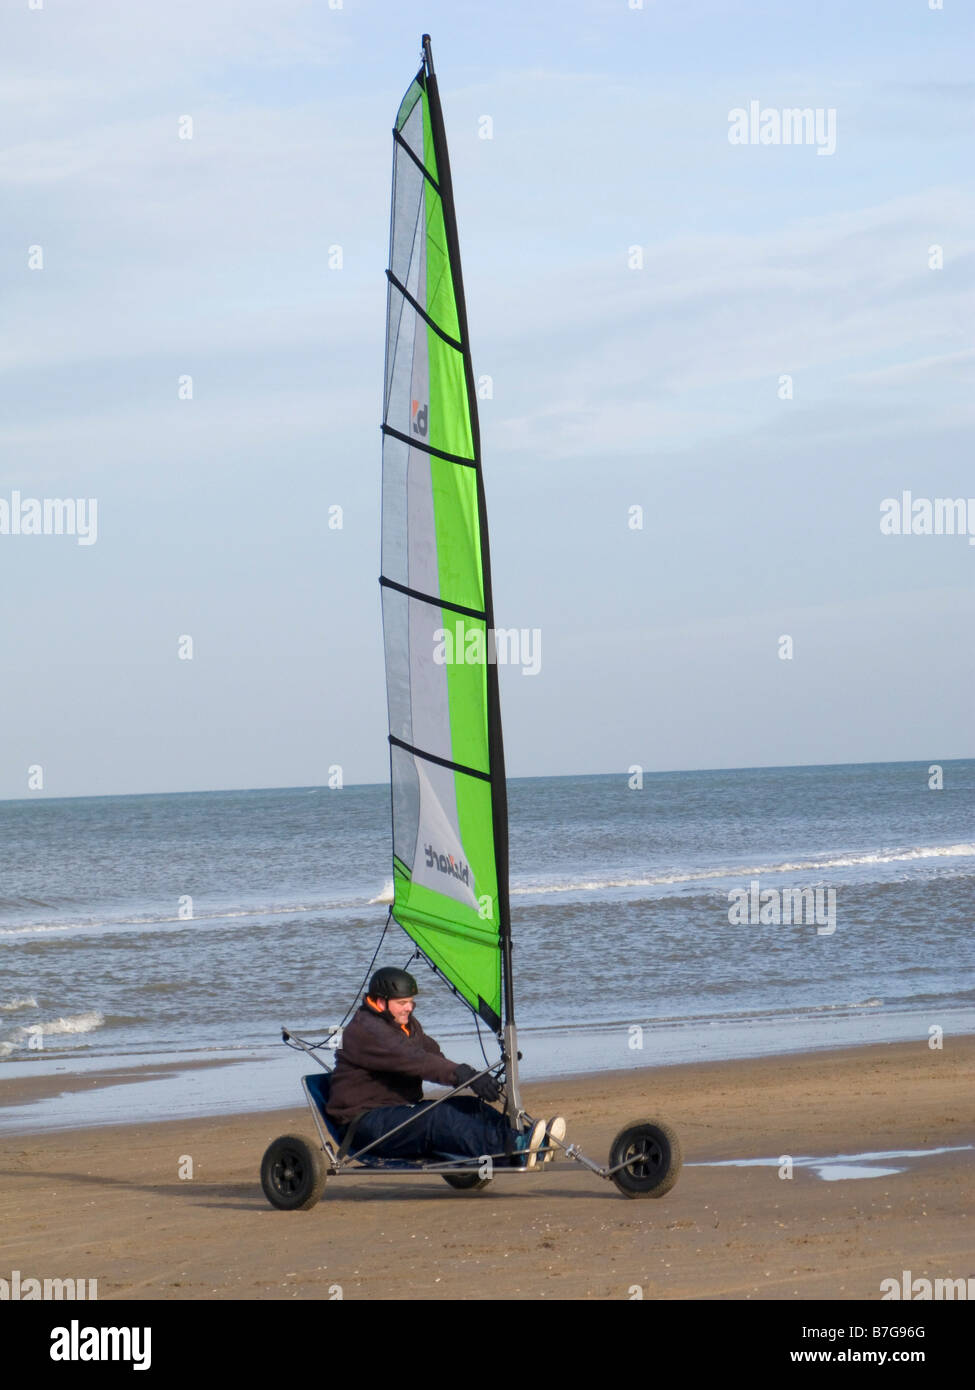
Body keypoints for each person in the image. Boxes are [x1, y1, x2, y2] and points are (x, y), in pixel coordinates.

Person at [326, 967, 565, 1168]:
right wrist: (465, 1075)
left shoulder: (403, 1023)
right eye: (402, 1003)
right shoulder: (368, 1030)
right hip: (364, 1125)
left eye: (411, 1002)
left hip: (397, 1112)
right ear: (380, 1002)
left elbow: (430, 1053)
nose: (409, 1008)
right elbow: (415, 1060)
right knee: (438, 1118)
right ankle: (514, 1149)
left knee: (469, 1107)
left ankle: (527, 1138)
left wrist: (475, 1078)